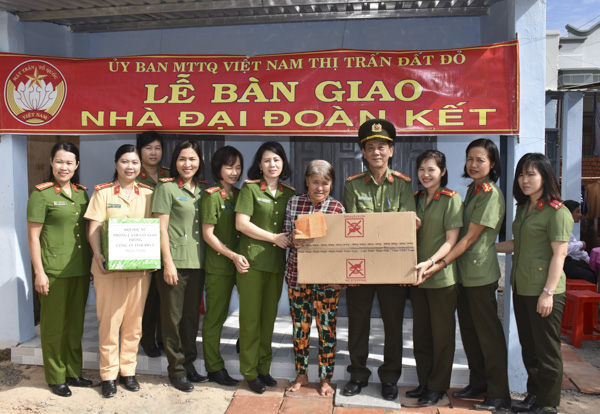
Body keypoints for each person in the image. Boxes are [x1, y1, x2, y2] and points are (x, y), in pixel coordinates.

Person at [422, 138, 510, 411]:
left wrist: (441, 262)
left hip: (480, 274)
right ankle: (479, 383)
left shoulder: (490, 194)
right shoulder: (474, 189)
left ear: (492, 164)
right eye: (470, 158)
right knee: (471, 334)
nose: (473, 164)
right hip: (465, 273)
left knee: (489, 335)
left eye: (480, 160)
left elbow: (469, 238)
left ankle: (499, 393)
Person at [342, 118, 416, 401]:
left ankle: (390, 377)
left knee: (393, 324)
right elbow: (352, 228)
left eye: (382, 147)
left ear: (391, 151)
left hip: (393, 267)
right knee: (358, 322)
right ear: (363, 152)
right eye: (370, 147)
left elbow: (407, 226)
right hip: (360, 265)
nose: (376, 152)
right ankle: (358, 374)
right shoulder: (352, 185)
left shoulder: (403, 185)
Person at [496, 153, 573, 414]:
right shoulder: (524, 207)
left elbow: (560, 254)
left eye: (531, 174)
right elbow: (518, 243)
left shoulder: (557, 212)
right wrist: (488, 247)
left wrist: (548, 293)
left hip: (544, 290)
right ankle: (534, 396)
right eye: (521, 174)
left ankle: (548, 403)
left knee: (547, 349)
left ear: (545, 177)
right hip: (522, 287)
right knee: (530, 347)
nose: (524, 180)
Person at [85, 144, 154, 398]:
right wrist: (98, 255)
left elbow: (155, 228)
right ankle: (108, 375)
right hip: (108, 271)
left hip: (139, 271)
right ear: (116, 163)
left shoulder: (148, 194)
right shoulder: (103, 193)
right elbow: (94, 228)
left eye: (134, 162)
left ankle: (128, 371)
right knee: (109, 323)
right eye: (125, 161)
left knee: (134, 324)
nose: (130, 167)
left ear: (140, 166)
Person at [26, 142, 92, 398]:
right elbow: (33, 237)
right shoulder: (41, 195)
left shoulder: (82, 194)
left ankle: (74, 372)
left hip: (79, 269)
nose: (64, 167)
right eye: (59, 161)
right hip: (53, 271)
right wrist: (39, 272)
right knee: (53, 326)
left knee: (75, 325)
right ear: (51, 163)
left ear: (77, 165)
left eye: (69, 162)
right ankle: (56, 377)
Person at [234, 141, 295, 394]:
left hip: (275, 265)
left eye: (277, 160)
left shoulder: (289, 193)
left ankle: (263, 367)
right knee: (250, 320)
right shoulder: (249, 189)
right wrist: (273, 238)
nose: (272, 164)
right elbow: (241, 224)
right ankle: (249, 371)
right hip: (252, 263)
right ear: (259, 165)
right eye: (267, 160)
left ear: (283, 164)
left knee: (268, 319)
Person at [283, 160, 346, 397]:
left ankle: (325, 378)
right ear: (307, 182)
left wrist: (341, 278)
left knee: (326, 329)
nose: (320, 188)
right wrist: (292, 237)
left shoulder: (337, 209)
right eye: (315, 182)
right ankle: (301, 374)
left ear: (332, 184)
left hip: (327, 281)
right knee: (300, 328)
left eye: (325, 183)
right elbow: (285, 235)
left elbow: (342, 247)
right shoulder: (294, 203)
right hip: (297, 277)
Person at [407, 150, 463, 406]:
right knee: (421, 334)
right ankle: (424, 382)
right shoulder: (415, 198)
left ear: (443, 172)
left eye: (431, 169)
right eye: (421, 169)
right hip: (417, 278)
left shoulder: (451, 199)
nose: (425, 174)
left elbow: (451, 241)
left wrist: (431, 263)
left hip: (441, 279)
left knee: (441, 336)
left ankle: (438, 387)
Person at [152, 140, 208, 392]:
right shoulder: (166, 188)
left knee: (190, 319)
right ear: (175, 162)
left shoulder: (204, 190)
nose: (187, 164)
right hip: (175, 262)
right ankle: (176, 370)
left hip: (198, 262)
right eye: (182, 159)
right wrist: (167, 263)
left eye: (192, 159)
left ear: (199, 162)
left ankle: (189, 364)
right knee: (172, 319)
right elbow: (160, 228)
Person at [201, 146, 247, 387]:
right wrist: (231, 255)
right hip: (220, 266)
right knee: (215, 318)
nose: (234, 172)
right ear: (218, 168)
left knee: (250, 312)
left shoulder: (240, 194)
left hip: (242, 264)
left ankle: (246, 347)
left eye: (238, 167)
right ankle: (214, 367)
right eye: (229, 167)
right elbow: (208, 234)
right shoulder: (211, 195)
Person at [136, 131, 170, 358]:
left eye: (157, 148)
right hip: (142, 241)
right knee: (147, 296)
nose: (153, 152)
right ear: (140, 150)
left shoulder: (168, 175)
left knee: (164, 295)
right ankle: (147, 339)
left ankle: (162, 338)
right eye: (148, 148)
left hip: (166, 240)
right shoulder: (132, 174)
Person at [562, 200, 597, 284]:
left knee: (592, 271)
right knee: (589, 276)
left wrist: (590, 262)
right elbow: (563, 249)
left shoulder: (568, 227)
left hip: (567, 260)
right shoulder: (561, 227)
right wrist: (580, 244)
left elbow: (578, 250)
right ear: (569, 213)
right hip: (559, 263)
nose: (580, 215)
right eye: (577, 212)